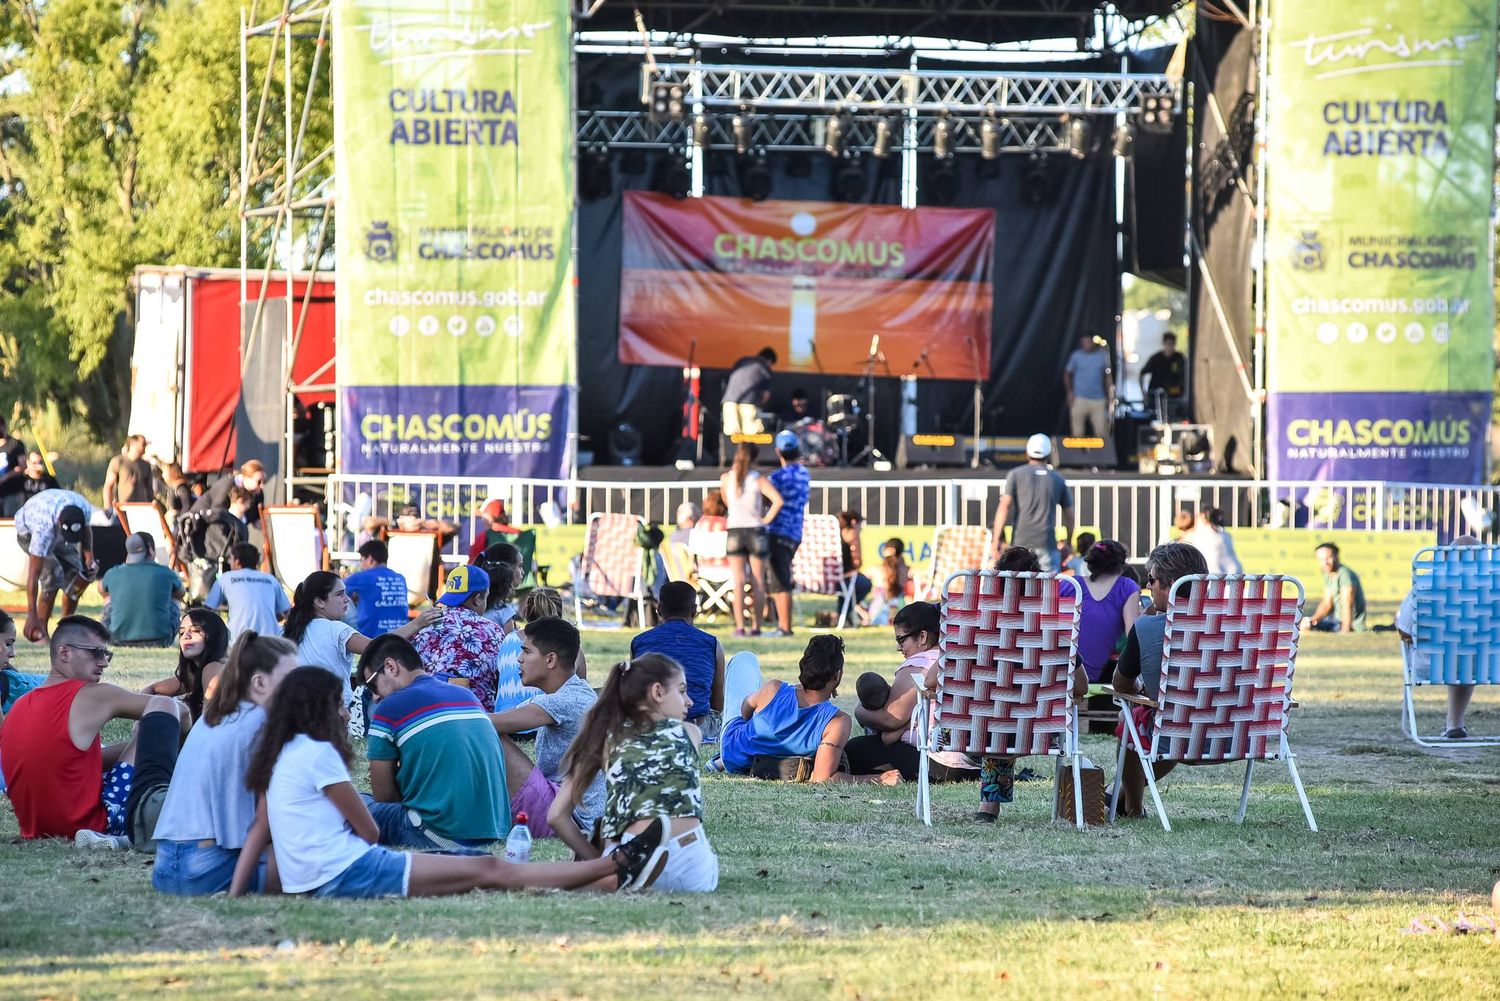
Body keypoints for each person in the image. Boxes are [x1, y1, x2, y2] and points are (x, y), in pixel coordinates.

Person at [229, 667, 670, 898]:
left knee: (485, 869)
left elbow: (258, 833)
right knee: (489, 869)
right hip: (355, 871)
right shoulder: (320, 753)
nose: (347, 713)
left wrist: (235, 893)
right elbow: (366, 830)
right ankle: (614, 865)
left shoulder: (280, 753)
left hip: (329, 873)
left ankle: (606, 875)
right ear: (316, 709)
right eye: (338, 705)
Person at [0, 615, 190, 845]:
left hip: (39, 828)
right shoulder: (92, 695)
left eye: (106, 654)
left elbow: (69, 763)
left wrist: (143, 743)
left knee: (142, 736)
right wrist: (177, 742)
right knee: (163, 705)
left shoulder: (18, 708)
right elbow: (178, 711)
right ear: (64, 653)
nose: (104, 662)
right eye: (95, 652)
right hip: (96, 825)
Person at [150, 632, 298, 894]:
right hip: (207, 866)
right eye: (291, 679)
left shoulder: (215, 716)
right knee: (319, 858)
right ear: (260, 682)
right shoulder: (266, 723)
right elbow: (274, 817)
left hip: (164, 868)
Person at [557, 654, 719, 892]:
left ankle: (600, 856)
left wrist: (596, 862)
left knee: (610, 826)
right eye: (682, 691)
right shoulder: (691, 733)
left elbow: (556, 816)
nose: (689, 702)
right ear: (657, 692)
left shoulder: (604, 736)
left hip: (629, 862)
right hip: (693, 871)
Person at [356, 635, 510, 853]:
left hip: (436, 833)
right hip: (493, 832)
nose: (375, 697)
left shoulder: (389, 707)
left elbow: (385, 798)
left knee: (354, 803)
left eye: (372, 685)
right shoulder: (466, 695)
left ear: (390, 667)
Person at [715, 634, 898, 784]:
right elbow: (822, 777)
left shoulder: (773, 689)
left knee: (744, 658)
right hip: (768, 765)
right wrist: (879, 778)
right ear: (837, 676)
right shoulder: (836, 722)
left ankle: (720, 760)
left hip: (733, 755)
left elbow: (745, 711)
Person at [489, 617, 607, 844]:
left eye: (526, 651)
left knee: (491, 736)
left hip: (570, 819)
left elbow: (488, 724)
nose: (518, 658)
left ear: (550, 659)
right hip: (559, 803)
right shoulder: (562, 694)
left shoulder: (570, 699)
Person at [1112, 543, 1209, 819]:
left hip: (1178, 736)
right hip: (1237, 735)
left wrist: (1146, 617)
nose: (1147, 587)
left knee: (1130, 718)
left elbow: (1121, 685)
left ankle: (1132, 805)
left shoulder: (1150, 628)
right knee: (1166, 717)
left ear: (1169, 585)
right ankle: (1116, 794)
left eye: (1151, 581)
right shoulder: (1236, 623)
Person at [845, 601, 979, 784]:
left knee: (854, 749)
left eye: (901, 640)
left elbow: (890, 719)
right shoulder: (955, 658)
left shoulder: (919, 663)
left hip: (937, 762)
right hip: (970, 764)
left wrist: (859, 711)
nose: (898, 648)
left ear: (922, 637)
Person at [283, 570, 438, 707]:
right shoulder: (335, 629)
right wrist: (417, 623)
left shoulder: (288, 630)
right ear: (319, 602)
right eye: (339, 594)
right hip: (335, 710)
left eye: (345, 593)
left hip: (298, 707)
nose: (346, 599)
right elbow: (377, 646)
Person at [1397, 535, 1482, 739]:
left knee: (1458, 654)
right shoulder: (1495, 586)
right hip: (1487, 666)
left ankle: (1453, 725)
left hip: (1431, 664)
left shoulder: (1427, 584)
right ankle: (1455, 724)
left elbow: (1405, 629)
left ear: (1448, 557)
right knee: (1468, 654)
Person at [630, 581, 725, 733]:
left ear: (659, 609)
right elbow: (718, 705)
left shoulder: (639, 642)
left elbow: (635, 693)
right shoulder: (711, 644)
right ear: (694, 611)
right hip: (698, 726)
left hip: (650, 726)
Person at [410, 564, 507, 711]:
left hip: (427, 714)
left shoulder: (422, 626)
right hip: (476, 720)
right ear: (478, 599)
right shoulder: (493, 631)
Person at [14, 487, 96, 643]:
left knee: (78, 572)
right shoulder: (43, 528)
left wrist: (89, 558)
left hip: (57, 518)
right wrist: (31, 614)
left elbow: (86, 531)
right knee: (52, 573)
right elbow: (34, 573)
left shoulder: (84, 508)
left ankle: (66, 629)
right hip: (28, 530)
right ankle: (40, 631)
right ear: (59, 524)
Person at [718, 443, 783, 637]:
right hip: (755, 530)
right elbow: (778, 501)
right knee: (758, 582)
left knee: (738, 582)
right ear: (754, 458)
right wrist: (765, 519)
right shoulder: (758, 479)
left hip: (735, 530)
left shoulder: (726, 479)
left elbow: (727, 502)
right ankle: (756, 626)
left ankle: (739, 626)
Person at [990, 433, 1074, 573]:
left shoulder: (1015, 474)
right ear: (1049, 454)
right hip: (1047, 545)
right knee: (1047, 591)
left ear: (1027, 453)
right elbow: (1070, 517)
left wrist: (995, 541)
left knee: (1017, 590)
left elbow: (1004, 508)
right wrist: (1069, 543)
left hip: (1020, 545)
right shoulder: (1057, 479)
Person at [141, 608, 232, 721]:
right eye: (182, 632)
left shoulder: (213, 668)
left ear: (214, 635)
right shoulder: (197, 674)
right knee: (160, 700)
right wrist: (138, 727)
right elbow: (152, 690)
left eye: (195, 630)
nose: (186, 636)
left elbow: (209, 722)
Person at [97, 533, 185, 647]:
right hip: (160, 640)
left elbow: (101, 590)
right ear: (150, 549)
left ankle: (109, 637)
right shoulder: (166, 573)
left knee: (109, 598)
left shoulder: (113, 573)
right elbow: (181, 593)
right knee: (174, 599)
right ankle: (170, 641)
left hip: (118, 640)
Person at [1074, 540, 1142, 684]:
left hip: (1067, 676)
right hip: (1104, 679)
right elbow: (1134, 638)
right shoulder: (1127, 587)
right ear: (1121, 564)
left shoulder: (1070, 585)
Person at [765, 429, 810, 636]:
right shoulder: (804, 473)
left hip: (779, 531)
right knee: (782, 577)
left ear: (778, 452)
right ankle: (782, 625)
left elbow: (768, 499)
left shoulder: (775, 478)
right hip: (795, 532)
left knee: (780, 580)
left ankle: (784, 627)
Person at [203, 543, 290, 640]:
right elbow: (287, 612)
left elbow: (207, 610)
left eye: (230, 558)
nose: (229, 561)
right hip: (270, 640)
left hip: (238, 640)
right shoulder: (270, 579)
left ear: (237, 561)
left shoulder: (225, 578)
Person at [342, 539, 411, 638]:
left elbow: (335, 589)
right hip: (401, 634)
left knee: (338, 598)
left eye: (361, 560)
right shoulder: (400, 577)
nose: (360, 565)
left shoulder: (363, 577)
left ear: (370, 559)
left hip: (370, 637)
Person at [521, 587, 588, 680]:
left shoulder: (508, 640)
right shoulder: (569, 648)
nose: (519, 658)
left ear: (526, 613)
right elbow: (581, 687)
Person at [1303, 542, 1368, 634]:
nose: (1325, 562)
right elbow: (1326, 604)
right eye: (1321, 559)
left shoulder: (1345, 575)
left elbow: (1347, 605)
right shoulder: (1328, 574)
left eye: (1328, 558)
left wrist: (1345, 632)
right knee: (1303, 624)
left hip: (1349, 624)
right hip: (1336, 620)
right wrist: (1312, 621)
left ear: (1337, 556)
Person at [192, 460, 266, 531]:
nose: (262, 485)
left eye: (264, 481)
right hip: (200, 524)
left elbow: (257, 522)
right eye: (259, 481)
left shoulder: (257, 494)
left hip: (229, 531)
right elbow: (216, 514)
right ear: (246, 477)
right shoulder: (227, 485)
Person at [721, 346, 776, 441]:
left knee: (732, 437)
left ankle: (732, 456)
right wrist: (761, 407)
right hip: (749, 403)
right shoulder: (765, 368)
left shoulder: (742, 361)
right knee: (752, 437)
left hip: (729, 401)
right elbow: (766, 395)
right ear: (769, 360)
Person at [1063, 334, 1113, 438]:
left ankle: (1101, 454)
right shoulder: (1076, 356)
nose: (1086, 344)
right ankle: (1077, 454)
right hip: (1080, 397)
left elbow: (1107, 377)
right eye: (1083, 342)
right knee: (1077, 432)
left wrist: (1109, 396)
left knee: (1101, 431)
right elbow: (1067, 373)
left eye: (1088, 342)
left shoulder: (1103, 355)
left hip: (1098, 398)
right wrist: (1069, 392)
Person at [1139, 332, 1187, 420]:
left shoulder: (1179, 358)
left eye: (1172, 344)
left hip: (1174, 397)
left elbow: (1185, 377)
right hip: (1155, 398)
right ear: (1164, 344)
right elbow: (1142, 373)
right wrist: (1144, 393)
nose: (1170, 347)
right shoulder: (1156, 358)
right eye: (1168, 344)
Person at [863, 537, 909, 626]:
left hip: (876, 613)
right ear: (901, 553)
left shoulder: (875, 570)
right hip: (900, 611)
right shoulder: (906, 570)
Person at [0, 450, 60, 518]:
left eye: (40, 463)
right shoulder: (17, 481)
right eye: (34, 463)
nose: (38, 466)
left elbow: (58, 497)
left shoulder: (49, 480)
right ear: (28, 463)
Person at [1185, 508, 1243, 575]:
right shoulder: (1224, 533)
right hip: (1233, 572)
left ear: (1204, 518)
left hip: (1217, 576)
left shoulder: (1204, 535)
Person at [103, 435, 154, 509]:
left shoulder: (146, 466)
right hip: (122, 508)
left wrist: (151, 507)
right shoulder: (118, 462)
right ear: (133, 443)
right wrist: (108, 507)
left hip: (141, 508)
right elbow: (108, 486)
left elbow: (149, 490)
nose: (145, 445)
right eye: (143, 443)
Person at [837, 510, 873, 610]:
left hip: (823, 581)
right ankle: (842, 614)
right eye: (860, 525)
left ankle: (842, 616)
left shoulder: (831, 535)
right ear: (854, 523)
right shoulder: (852, 537)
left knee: (850, 585)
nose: (861, 529)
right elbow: (857, 564)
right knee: (864, 583)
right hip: (840, 580)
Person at [467, 498, 522, 562]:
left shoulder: (484, 536)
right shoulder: (521, 535)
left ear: (491, 517)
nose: (482, 520)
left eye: (484, 516)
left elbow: (473, 563)